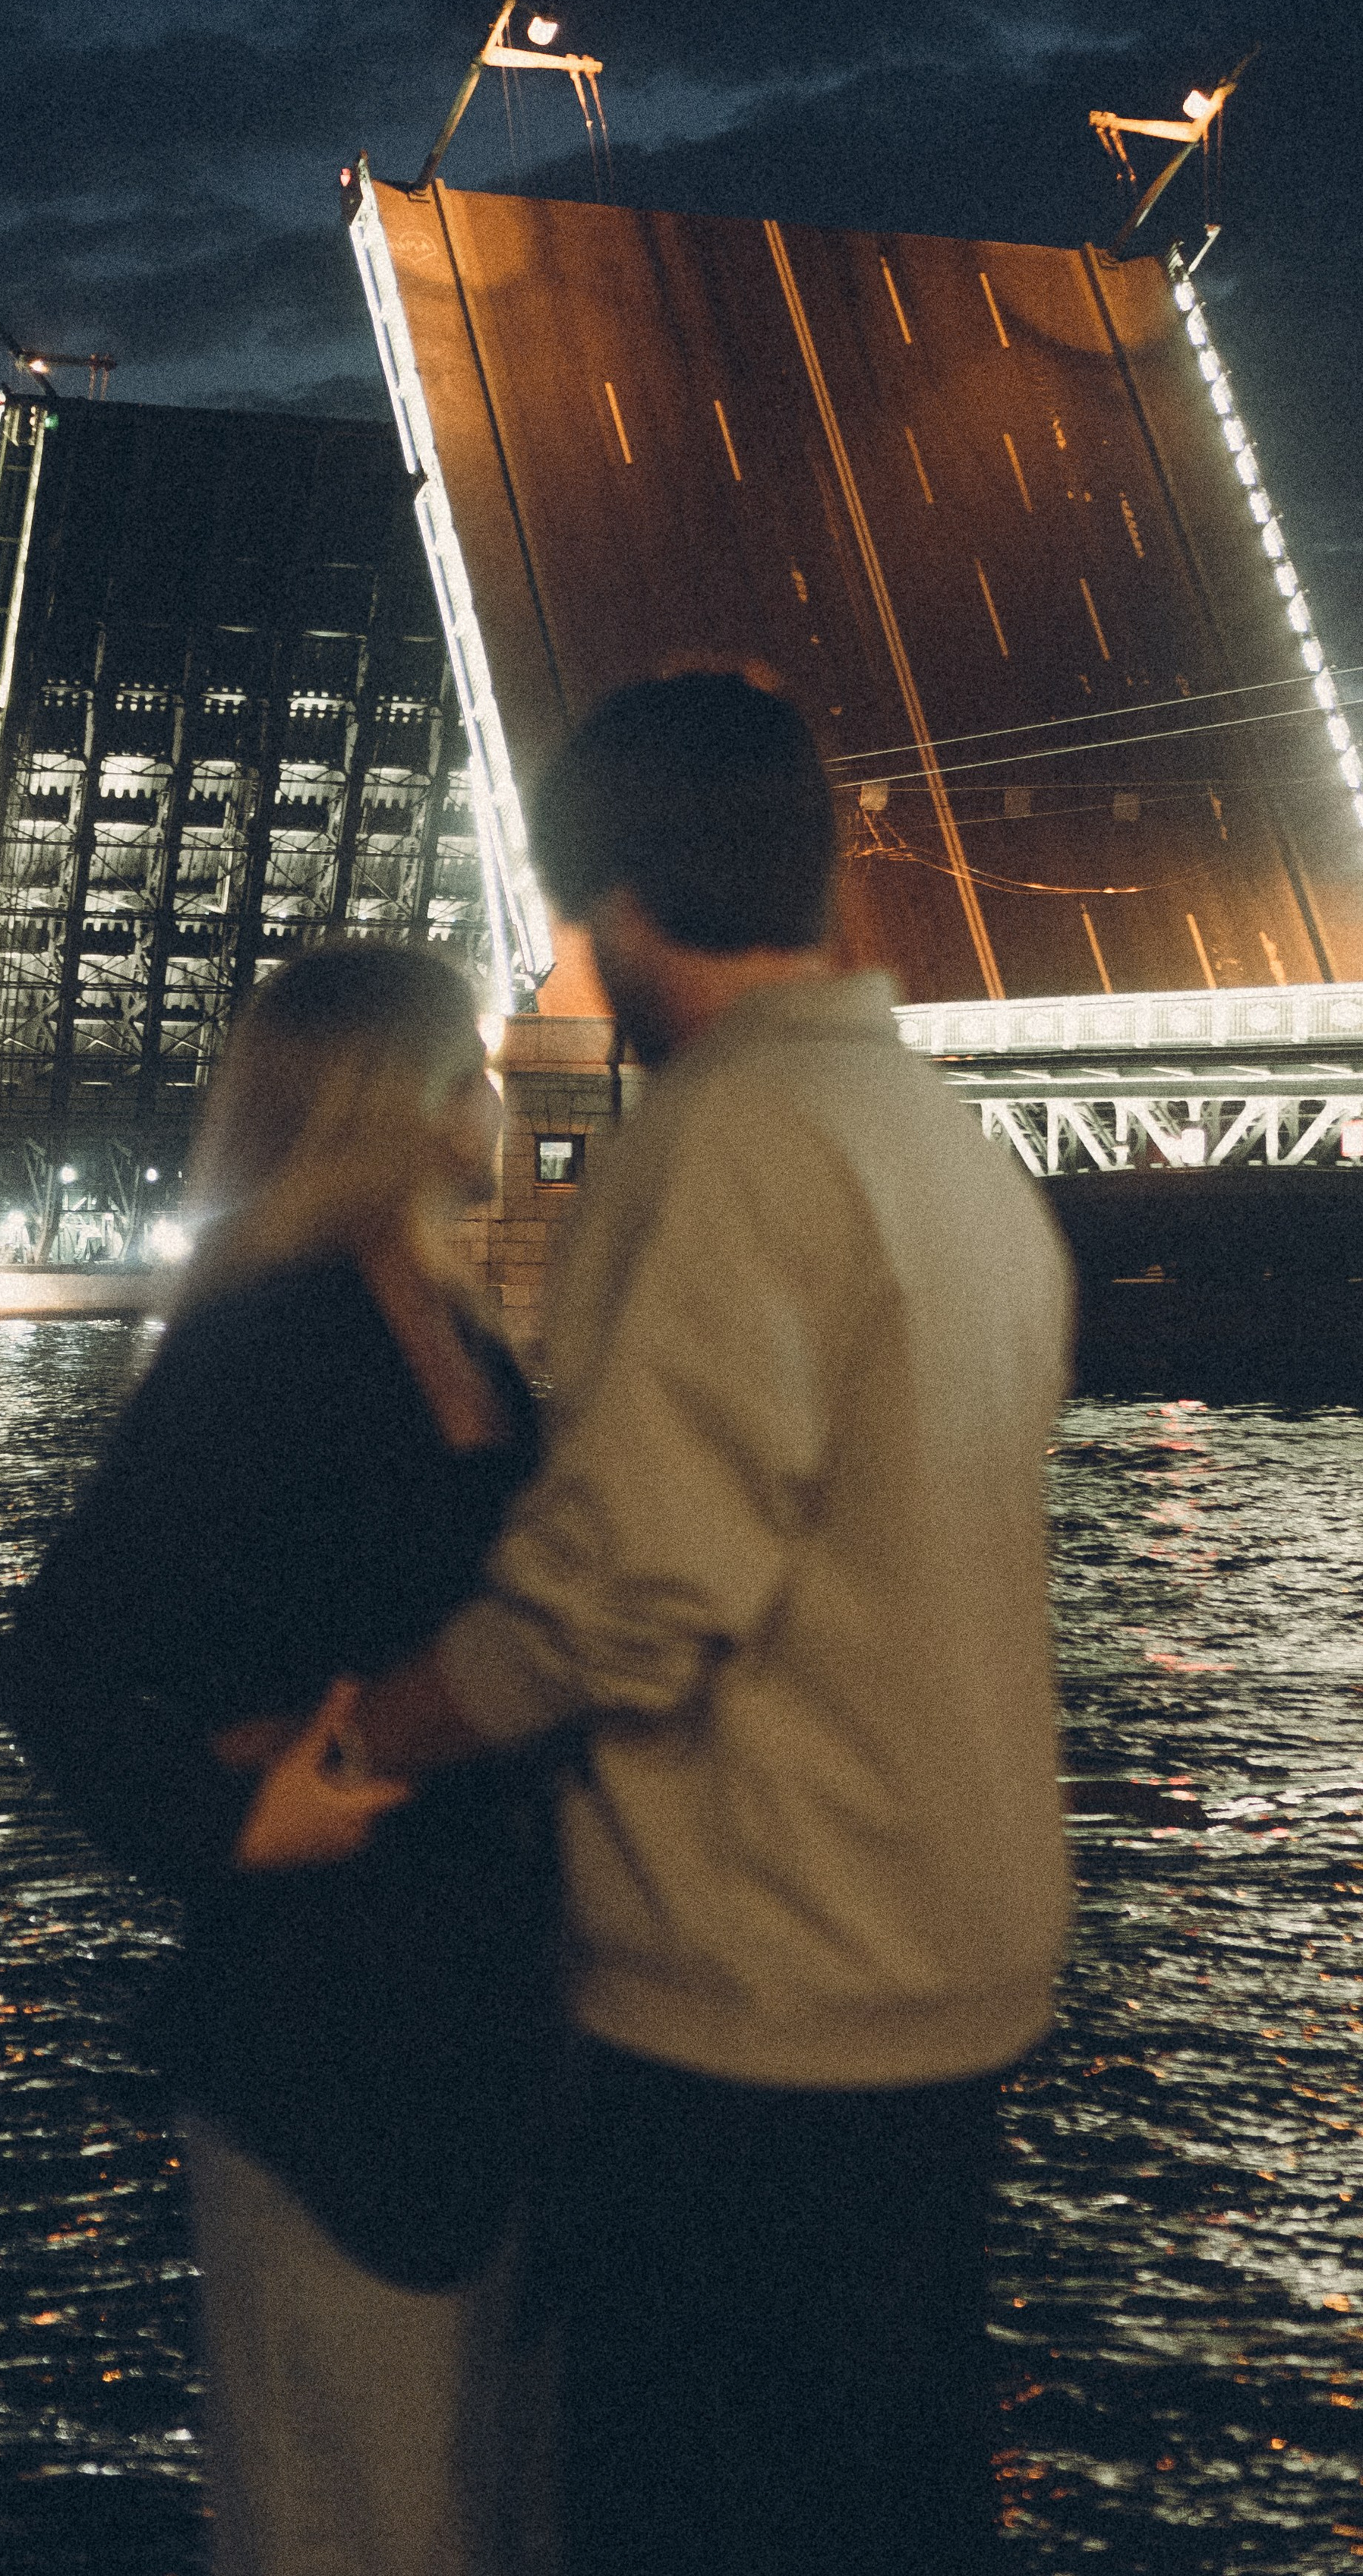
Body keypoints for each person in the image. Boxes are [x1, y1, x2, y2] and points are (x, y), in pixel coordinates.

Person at [304, 672, 1077, 2574]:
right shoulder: (946, 1150)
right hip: (952, 1966)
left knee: (692, 2511)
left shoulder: (725, 1141)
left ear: (627, 903)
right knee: (889, 2509)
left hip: (758, 2003)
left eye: (582, 922)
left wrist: (357, 1736)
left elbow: (629, 1593)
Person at [0, 944, 562, 2576]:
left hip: (485, 2024)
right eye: (469, 1063)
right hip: (320, 2035)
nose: (497, 1093)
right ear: (399, 1099)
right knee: (352, 2524)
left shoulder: (463, 1336)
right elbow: (54, 1666)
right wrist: (239, 1821)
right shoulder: (270, 1345)